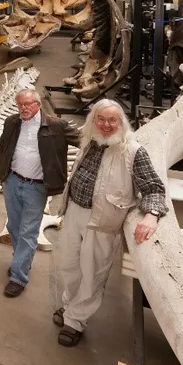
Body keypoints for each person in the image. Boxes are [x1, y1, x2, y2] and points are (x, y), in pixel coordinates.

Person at [52, 99, 166, 347]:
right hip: (74, 213)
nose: (106, 125)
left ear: (121, 122)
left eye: (112, 120)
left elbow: (154, 188)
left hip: (102, 223)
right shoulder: (90, 142)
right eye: (101, 119)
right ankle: (70, 304)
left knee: (92, 275)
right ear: (93, 121)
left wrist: (152, 214)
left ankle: (75, 321)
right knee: (68, 266)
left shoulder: (133, 151)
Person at [0, 88, 70, 298]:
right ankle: (22, 261)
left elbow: (85, 140)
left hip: (36, 187)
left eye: (28, 104)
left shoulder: (56, 125)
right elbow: (3, 146)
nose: (24, 108)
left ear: (38, 104)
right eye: (20, 104)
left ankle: (18, 276)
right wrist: (3, 173)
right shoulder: (12, 122)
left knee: (28, 231)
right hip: (12, 181)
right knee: (13, 225)